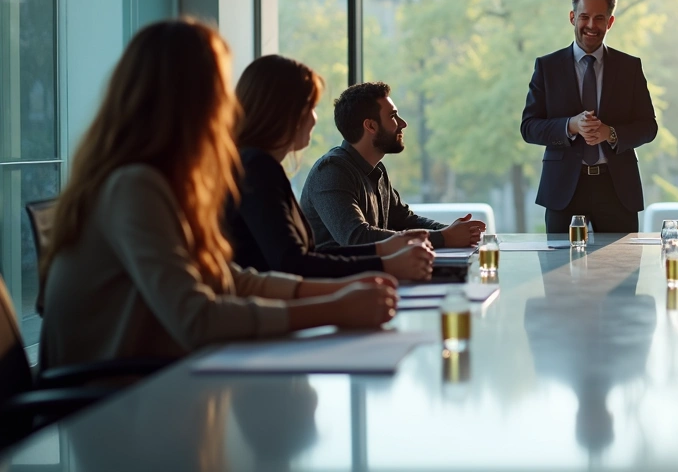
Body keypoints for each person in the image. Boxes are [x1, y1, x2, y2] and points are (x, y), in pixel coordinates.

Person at [38, 19, 399, 369]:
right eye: (220, 88)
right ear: (192, 99)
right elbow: (197, 319)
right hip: (110, 404)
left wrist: (345, 289)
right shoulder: (134, 187)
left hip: (149, 386)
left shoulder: (167, 182)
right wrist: (334, 308)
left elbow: (229, 280)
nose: (230, 105)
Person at [226, 54, 436, 281]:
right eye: (310, 107)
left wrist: (385, 251)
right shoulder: (259, 168)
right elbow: (294, 264)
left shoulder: (257, 166)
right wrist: (385, 263)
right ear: (285, 112)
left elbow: (306, 255)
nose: (315, 118)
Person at [521, 0, 658, 233]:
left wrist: (611, 133)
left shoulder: (630, 67)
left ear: (610, 22)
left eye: (599, 18)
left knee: (622, 269)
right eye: (584, 17)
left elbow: (649, 127)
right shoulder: (547, 67)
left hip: (617, 189)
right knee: (559, 271)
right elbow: (529, 128)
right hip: (563, 189)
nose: (591, 26)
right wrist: (570, 125)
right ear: (573, 17)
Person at [300, 82, 486, 250]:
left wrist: (450, 231)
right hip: (339, 285)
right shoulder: (331, 171)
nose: (403, 124)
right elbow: (357, 237)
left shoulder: (377, 171)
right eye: (393, 116)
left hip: (371, 278)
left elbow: (405, 220)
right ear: (371, 126)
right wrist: (443, 238)